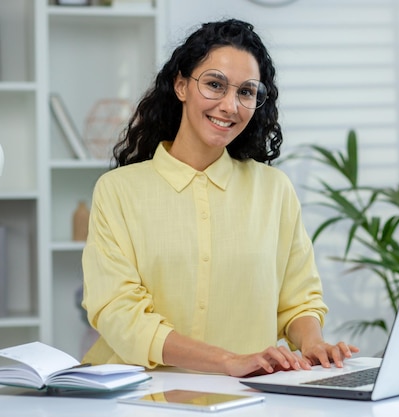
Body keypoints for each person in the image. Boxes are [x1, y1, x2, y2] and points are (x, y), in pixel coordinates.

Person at [81, 19, 358, 377]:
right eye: (215, 85)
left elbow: (298, 299)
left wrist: (313, 344)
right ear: (181, 85)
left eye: (246, 92)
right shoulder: (118, 191)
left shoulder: (274, 190)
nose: (230, 106)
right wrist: (227, 361)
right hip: (140, 393)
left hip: (247, 395)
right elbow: (119, 312)